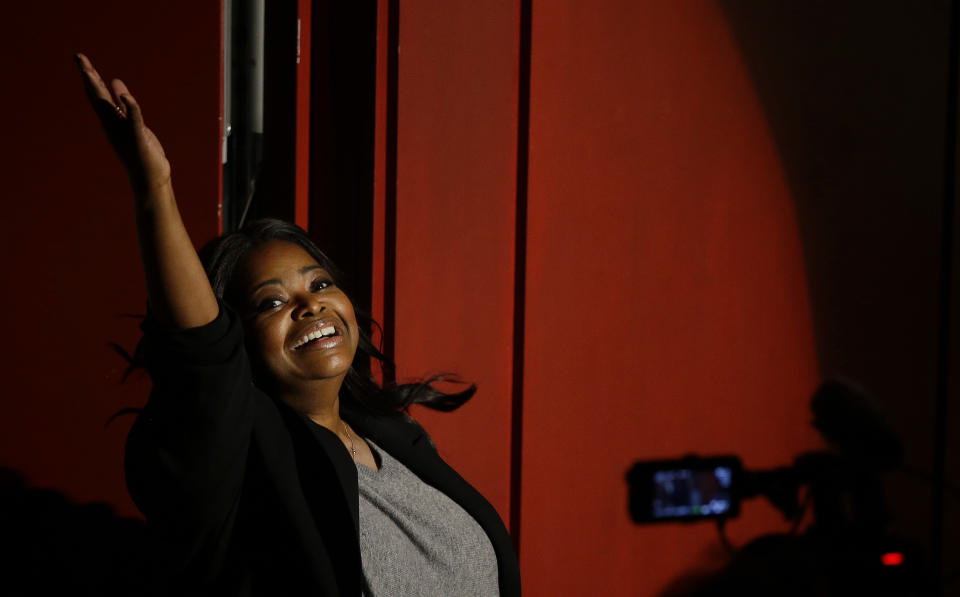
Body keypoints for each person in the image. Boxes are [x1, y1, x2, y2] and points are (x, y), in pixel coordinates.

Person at [75, 53, 521, 597]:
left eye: (320, 284)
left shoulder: (397, 438)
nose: (310, 306)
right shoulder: (240, 465)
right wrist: (155, 191)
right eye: (270, 302)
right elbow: (201, 356)